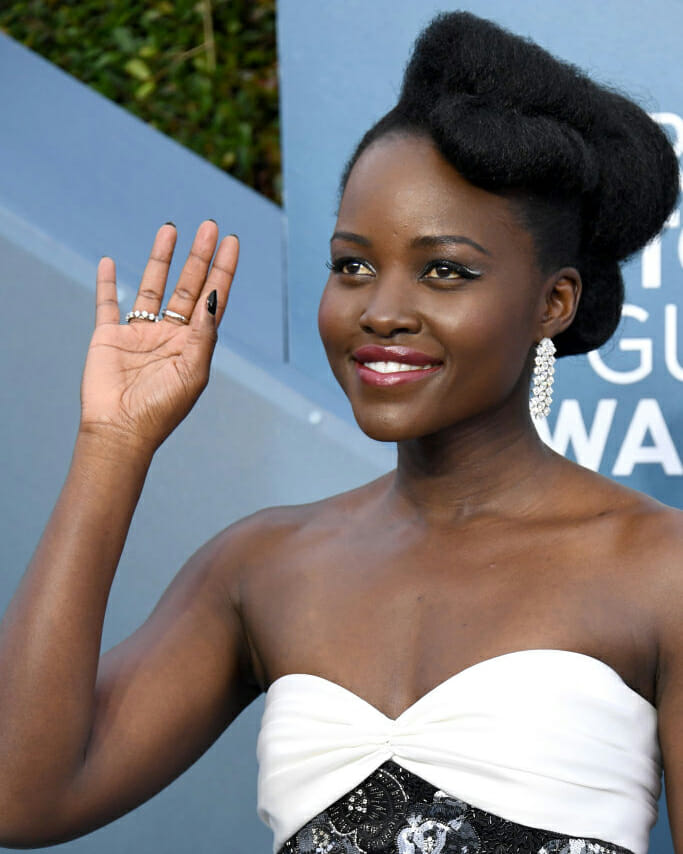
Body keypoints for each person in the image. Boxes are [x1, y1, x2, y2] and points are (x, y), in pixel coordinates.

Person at [0, 10, 680, 854]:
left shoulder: (660, 568)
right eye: (353, 264)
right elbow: (22, 798)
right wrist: (113, 443)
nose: (382, 311)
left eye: (445, 271)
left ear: (554, 302)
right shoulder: (263, 566)